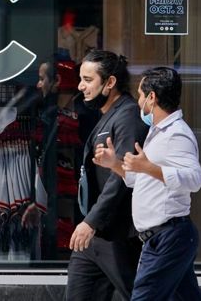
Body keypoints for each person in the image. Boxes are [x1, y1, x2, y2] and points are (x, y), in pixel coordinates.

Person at [95, 67, 201, 301]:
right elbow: (141, 180)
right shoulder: (158, 133)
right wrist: (115, 163)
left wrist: (148, 167)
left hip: (168, 236)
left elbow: (194, 180)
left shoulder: (176, 134)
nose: (139, 102)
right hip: (163, 237)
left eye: (141, 95)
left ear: (152, 97)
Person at [68, 50, 146, 301]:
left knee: (137, 295)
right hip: (95, 235)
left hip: (118, 233)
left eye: (88, 80)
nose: (81, 86)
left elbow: (120, 177)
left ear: (110, 82)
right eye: (81, 79)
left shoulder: (128, 116)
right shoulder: (108, 115)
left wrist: (91, 221)